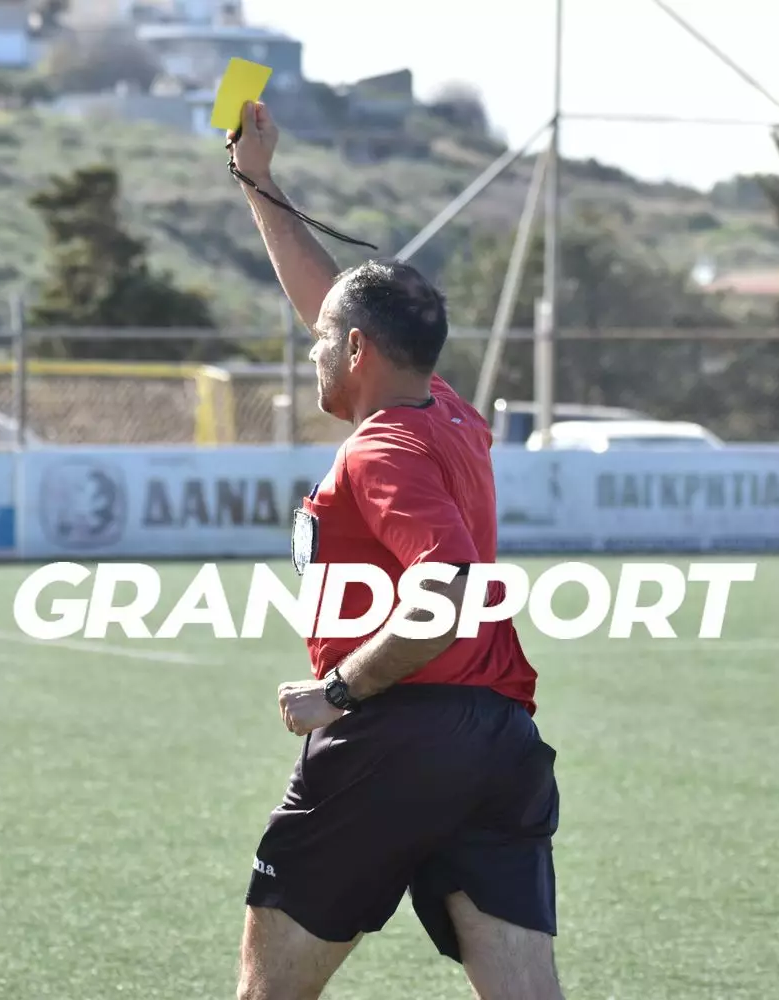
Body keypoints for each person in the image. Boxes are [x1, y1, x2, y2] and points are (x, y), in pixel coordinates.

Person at [228, 100, 565, 1000]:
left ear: (359, 351)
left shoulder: (381, 448)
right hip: (499, 742)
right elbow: (335, 308)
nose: (311, 350)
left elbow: (443, 594)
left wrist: (338, 692)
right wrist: (260, 185)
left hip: (396, 735)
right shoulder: (447, 412)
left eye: (323, 344)